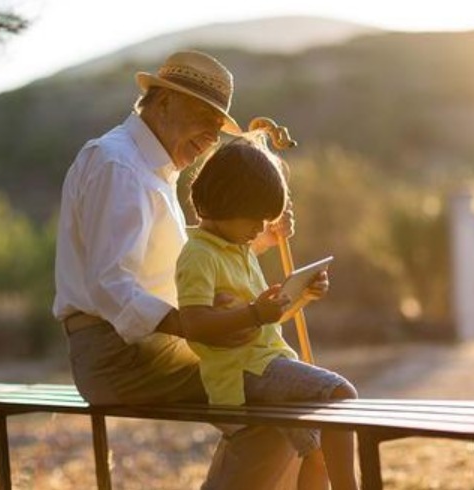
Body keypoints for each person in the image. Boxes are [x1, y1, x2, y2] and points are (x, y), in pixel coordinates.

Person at [53, 50, 301, 488]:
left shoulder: (147, 166)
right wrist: (196, 325)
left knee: (280, 386)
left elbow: (180, 264)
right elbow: (111, 285)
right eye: (204, 116)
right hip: (119, 356)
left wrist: (254, 241)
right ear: (163, 101)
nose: (211, 136)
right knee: (274, 394)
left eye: (218, 124)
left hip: (138, 349)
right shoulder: (119, 165)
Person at [176, 134, 360, 490]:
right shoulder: (199, 255)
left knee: (317, 451)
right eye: (255, 219)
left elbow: (264, 318)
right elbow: (193, 324)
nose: (261, 230)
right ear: (224, 202)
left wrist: (301, 295)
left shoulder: (238, 249)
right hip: (242, 372)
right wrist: (255, 314)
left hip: (264, 362)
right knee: (341, 395)